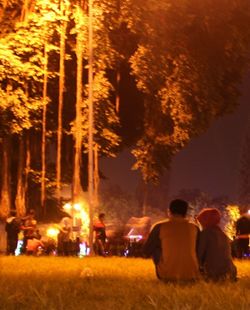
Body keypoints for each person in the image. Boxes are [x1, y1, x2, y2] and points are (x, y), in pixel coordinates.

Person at [143, 199, 200, 282]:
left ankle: (168, 269)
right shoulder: (194, 228)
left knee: (155, 246)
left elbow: (146, 251)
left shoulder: (160, 226)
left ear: (169, 211)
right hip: (192, 275)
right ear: (185, 212)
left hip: (166, 275)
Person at [197, 208, 237, 281]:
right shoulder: (224, 235)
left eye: (200, 222)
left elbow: (199, 255)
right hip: (231, 272)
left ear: (205, 221)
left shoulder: (205, 233)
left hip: (215, 274)